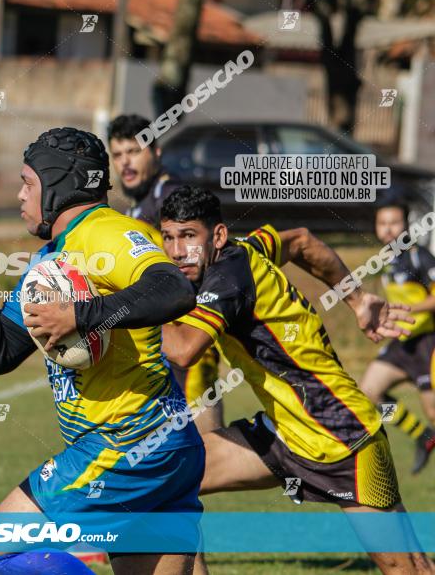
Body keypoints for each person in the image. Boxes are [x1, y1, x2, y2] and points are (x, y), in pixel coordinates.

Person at [0, 128, 204, 574]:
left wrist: (81, 315)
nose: (19, 195)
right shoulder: (51, 261)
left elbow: (173, 288)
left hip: (127, 443)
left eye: (28, 182)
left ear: (57, 184)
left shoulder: (109, 233)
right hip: (164, 447)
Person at [158, 186, 433, 574]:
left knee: (412, 570)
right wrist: (357, 300)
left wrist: (108, 317)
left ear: (217, 236)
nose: (176, 250)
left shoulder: (227, 281)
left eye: (188, 236)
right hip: (282, 432)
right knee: (168, 481)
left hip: (343, 437)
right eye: (168, 237)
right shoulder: (250, 247)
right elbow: (302, 241)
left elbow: (185, 348)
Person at [108, 114, 222, 432]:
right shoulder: (136, 208)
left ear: (156, 153)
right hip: (160, 339)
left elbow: (207, 256)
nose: (125, 162)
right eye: (118, 155)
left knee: (206, 449)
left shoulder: (170, 198)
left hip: (188, 333)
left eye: (134, 151)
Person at [359, 202, 435, 473]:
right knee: (368, 393)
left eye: (394, 223)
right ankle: (421, 435)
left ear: (406, 226)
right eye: (382, 224)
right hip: (402, 343)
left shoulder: (420, 257)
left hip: (428, 344)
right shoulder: (386, 261)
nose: (388, 230)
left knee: (433, 413)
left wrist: (411, 309)